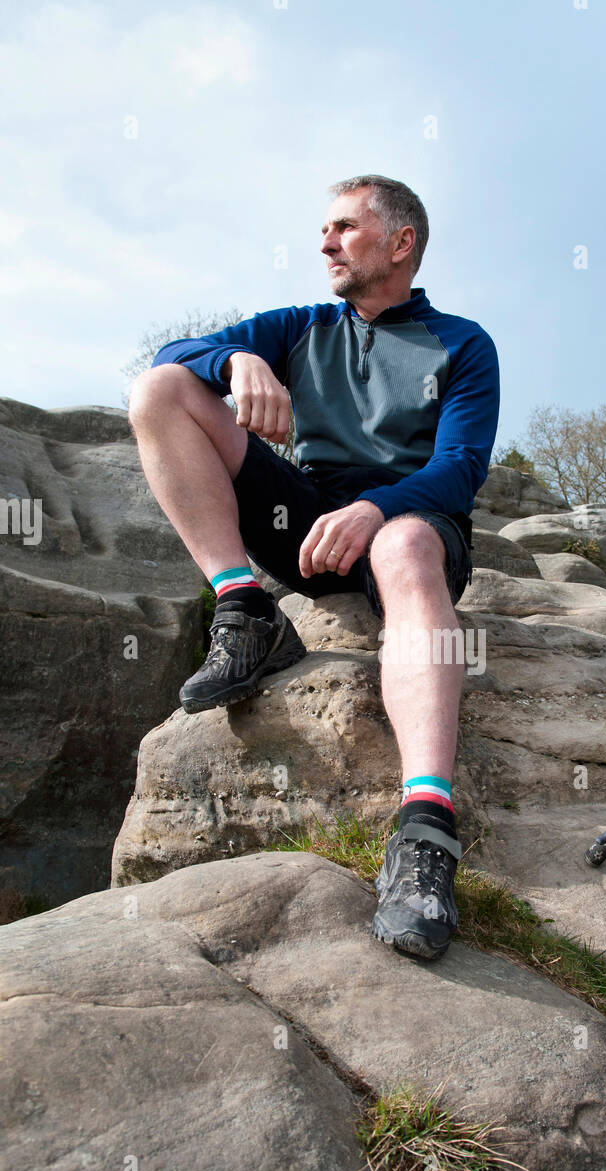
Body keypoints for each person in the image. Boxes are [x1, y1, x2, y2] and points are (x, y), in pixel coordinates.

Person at [128, 174, 500, 962]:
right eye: (323, 231)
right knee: (162, 390)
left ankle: (427, 832)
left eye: (343, 228)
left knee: (401, 541)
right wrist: (235, 362)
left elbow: (462, 466)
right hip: (304, 527)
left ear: (400, 243)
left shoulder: (462, 343)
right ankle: (247, 614)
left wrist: (379, 509)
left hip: (413, 528)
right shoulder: (298, 327)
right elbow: (172, 356)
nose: (324, 244)